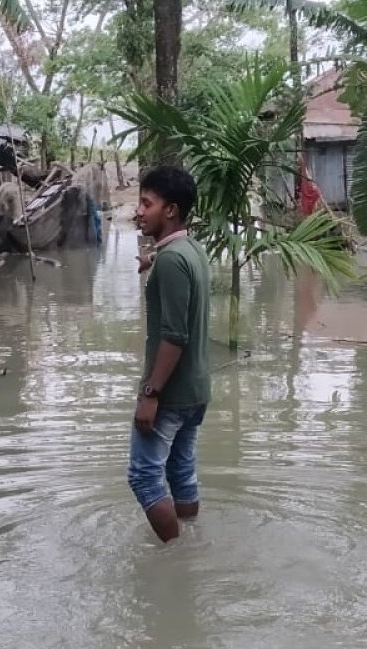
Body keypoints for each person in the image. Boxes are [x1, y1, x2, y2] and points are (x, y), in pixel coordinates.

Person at [127, 165, 212, 543]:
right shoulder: (190, 250)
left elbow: (174, 336)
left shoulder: (173, 261)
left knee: (144, 476)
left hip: (170, 392)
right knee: (180, 468)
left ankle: (176, 556)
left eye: (147, 203)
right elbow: (174, 263)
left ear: (171, 210)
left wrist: (151, 394)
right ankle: (191, 534)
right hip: (196, 390)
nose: (139, 211)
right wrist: (153, 261)